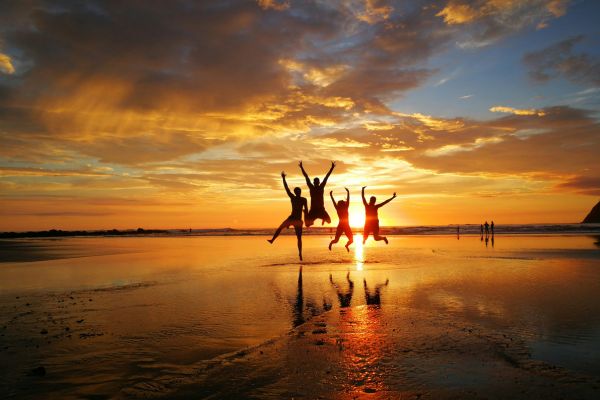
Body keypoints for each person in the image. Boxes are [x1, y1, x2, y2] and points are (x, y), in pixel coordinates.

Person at [268, 172, 308, 261]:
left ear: (300, 192)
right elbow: (287, 189)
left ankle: (300, 253)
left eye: (299, 191)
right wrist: (283, 179)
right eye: (297, 192)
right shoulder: (295, 198)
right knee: (280, 228)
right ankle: (272, 240)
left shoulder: (302, 199)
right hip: (293, 218)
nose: (298, 193)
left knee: (299, 237)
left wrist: (306, 217)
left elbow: (307, 210)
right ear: (296, 192)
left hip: (297, 220)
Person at [299, 161, 335, 227]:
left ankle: (322, 218)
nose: (316, 182)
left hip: (321, 209)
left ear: (318, 182)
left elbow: (326, 177)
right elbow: (306, 177)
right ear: (313, 182)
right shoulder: (311, 187)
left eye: (317, 181)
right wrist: (301, 167)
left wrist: (332, 168)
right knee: (307, 225)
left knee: (329, 221)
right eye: (315, 181)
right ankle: (306, 213)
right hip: (313, 210)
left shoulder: (321, 186)